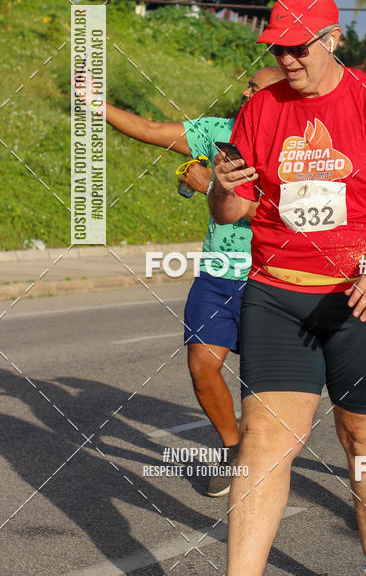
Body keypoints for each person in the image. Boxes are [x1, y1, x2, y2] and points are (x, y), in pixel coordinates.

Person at [209, 0, 366, 576]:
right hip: (278, 292)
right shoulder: (262, 107)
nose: (287, 59)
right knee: (263, 443)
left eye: (298, 47)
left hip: (364, 294)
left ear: (333, 40)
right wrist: (224, 183)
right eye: (277, 48)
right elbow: (229, 213)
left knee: (365, 438)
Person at [74, 65, 283, 497]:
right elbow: (149, 128)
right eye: (246, 85)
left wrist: (211, 188)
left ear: (279, 97)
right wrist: (96, 104)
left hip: (268, 276)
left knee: (262, 388)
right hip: (216, 274)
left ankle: (262, 450)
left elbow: (290, 217)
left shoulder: (290, 146)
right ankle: (231, 448)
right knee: (201, 367)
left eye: (256, 88)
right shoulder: (219, 132)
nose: (245, 92)